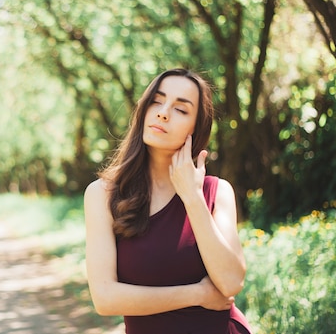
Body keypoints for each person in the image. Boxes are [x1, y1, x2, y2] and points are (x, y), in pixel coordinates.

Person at [84, 68, 252, 334]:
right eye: (157, 100)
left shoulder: (216, 192)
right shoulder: (103, 195)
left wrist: (192, 197)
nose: (163, 112)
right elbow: (105, 298)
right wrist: (197, 294)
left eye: (181, 109)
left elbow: (231, 282)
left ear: (196, 128)